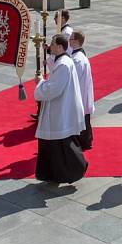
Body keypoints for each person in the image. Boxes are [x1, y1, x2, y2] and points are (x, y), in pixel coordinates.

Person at [33, 34, 88, 183]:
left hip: (60, 111)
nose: (50, 46)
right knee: (56, 144)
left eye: (52, 43)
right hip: (59, 109)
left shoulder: (64, 63)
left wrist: (40, 83)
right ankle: (53, 174)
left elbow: (54, 89)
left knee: (61, 145)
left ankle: (76, 168)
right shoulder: (63, 61)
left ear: (59, 47)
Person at [69, 30, 95, 150]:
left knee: (82, 119)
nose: (69, 41)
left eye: (71, 39)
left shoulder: (77, 59)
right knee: (85, 118)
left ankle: (83, 142)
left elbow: (75, 80)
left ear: (77, 41)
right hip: (83, 93)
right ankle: (86, 141)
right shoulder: (78, 56)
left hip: (80, 94)